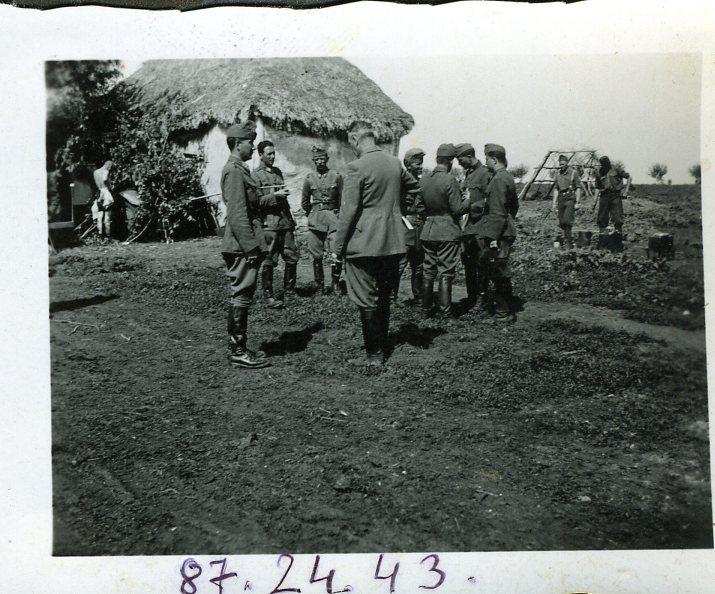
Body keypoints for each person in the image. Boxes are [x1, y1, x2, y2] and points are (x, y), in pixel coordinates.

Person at [332, 121, 407, 367]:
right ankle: (381, 347)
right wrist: (395, 214)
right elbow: (413, 189)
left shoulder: (356, 167)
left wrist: (337, 248)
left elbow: (348, 212)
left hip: (364, 244)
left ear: (355, 139)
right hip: (392, 241)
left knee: (366, 298)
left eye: (350, 144)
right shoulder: (394, 163)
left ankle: (374, 356)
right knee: (384, 295)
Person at [221, 122, 270, 369]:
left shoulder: (240, 169)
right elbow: (237, 214)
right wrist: (251, 248)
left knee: (244, 294)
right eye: (250, 142)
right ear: (238, 144)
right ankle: (238, 351)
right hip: (241, 245)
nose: (253, 146)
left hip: (244, 243)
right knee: (241, 294)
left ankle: (239, 348)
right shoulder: (234, 171)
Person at [418, 143, 469, 318]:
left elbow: (420, 207)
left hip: (428, 230)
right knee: (446, 271)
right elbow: (457, 209)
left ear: (437, 159)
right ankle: (445, 311)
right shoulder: (449, 180)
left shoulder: (424, 179)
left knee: (428, 270)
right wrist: (468, 201)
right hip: (447, 231)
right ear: (451, 161)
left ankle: (425, 309)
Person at [252, 140, 299, 309]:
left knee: (291, 256)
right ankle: (268, 296)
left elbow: (284, 200)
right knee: (269, 260)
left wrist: (291, 219)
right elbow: (256, 202)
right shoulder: (255, 176)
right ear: (260, 155)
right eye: (269, 154)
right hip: (269, 224)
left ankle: (290, 291)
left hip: (285, 222)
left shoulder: (278, 172)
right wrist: (275, 196)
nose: (272, 156)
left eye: (273, 153)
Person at [476, 143, 519, 322]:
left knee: (498, 270)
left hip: (499, 232)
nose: (485, 162)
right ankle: (504, 309)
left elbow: (498, 211)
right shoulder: (506, 177)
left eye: (486, 159)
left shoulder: (499, 179)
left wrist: (493, 237)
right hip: (504, 228)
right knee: (499, 269)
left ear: (493, 159)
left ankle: (503, 312)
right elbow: (514, 206)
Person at [301, 146, 344, 295]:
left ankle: (335, 283)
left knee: (336, 252)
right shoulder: (309, 178)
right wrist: (312, 215)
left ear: (327, 159)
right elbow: (305, 202)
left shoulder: (337, 176)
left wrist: (338, 216)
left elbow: (342, 199)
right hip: (316, 219)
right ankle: (319, 285)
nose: (320, 162)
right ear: (313, 161)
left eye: (322, 158)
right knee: (316, 253)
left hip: (333, 219)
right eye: (317, 159)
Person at [455, 142, 492, 309]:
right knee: (468, 263)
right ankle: (471, 297)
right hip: (467, 227)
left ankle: (482, 299)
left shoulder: (485, 173)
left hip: (480, 226)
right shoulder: (468, 173)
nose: (459, 163)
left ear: (469, 156)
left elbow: (489, 200)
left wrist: (472, 206)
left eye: (461, 160)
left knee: (481, 263)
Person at [393, 147, 427, 303]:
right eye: (417, 163)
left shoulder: (422, 181)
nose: (420, 166)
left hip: (419, 226)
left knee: (419, 264)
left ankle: (418, 295)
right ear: (408, 164)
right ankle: (392, 296)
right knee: (400, 262)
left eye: (421, 163)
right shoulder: (400, 182)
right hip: (405, 226)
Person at [552, 154, 586, 248]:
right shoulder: (557, 174)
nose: (561, 166)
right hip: (561, 199)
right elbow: (556, 189)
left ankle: (568, 241)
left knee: (567, 220)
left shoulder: (573, 173)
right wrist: (554, 203)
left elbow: (578, 188)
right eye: (560, 164)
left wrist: (578, 202)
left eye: (563, 164)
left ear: (567, 163)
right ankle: (565, 238)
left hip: (570, 198)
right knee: (562, 222)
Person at [595, 155, 630, 236]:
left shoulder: (616, 169)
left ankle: (618, 236)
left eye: (607, 163)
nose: (605, 166)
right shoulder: (599, 172)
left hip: (615, 195)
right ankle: (603, 236)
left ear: (609, 163)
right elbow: (597, 187)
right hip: (604, 196)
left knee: (618, 218)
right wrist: (594, 201)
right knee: (602, 218)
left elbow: (628, 177)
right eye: (603, 164)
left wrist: (626, 191)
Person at [92, 160, 114, 239]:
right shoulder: (106, 171)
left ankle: (100, 234)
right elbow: (104, 179)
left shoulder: (95, 172)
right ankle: (108, 234)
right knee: (107, 215)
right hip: (106, 192)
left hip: (99, 192)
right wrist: (109, 186)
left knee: (100, 215)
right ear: (109, 166)